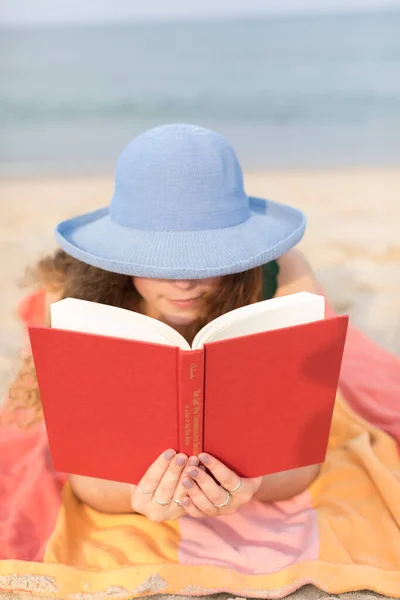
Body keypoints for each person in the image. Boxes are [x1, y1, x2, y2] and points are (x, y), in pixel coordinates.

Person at [8, 123, 329, 522]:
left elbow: (302, 461)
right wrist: (133, 495)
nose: (184, 281)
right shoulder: (81, 303)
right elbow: (85, 478)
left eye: (208, 257)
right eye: (158, 261)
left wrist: (252, 485)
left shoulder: (285, 275)